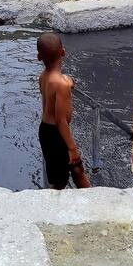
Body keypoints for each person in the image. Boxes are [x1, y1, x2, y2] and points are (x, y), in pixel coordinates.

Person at [37, 32, 91, 190]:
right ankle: (93, 201)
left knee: (75, 171)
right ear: (63, 52)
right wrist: (72, 149)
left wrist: (67, 81)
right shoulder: (61, 85)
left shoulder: (43, 77)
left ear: (39, 57)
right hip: (57, 133)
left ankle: (91, 198)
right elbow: (61, 121)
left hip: (45, 131)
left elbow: (57, 83)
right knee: (62, 180)